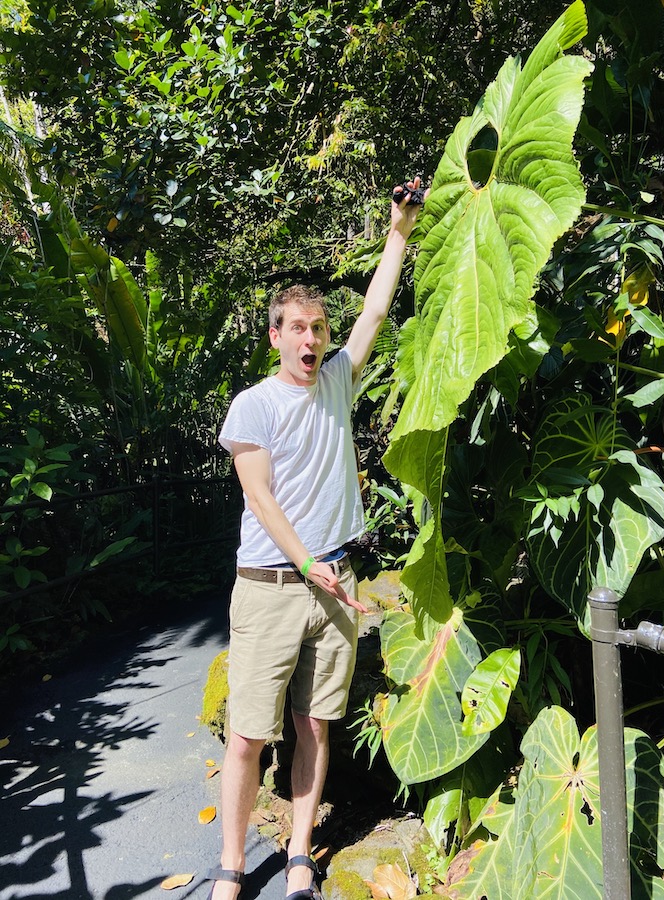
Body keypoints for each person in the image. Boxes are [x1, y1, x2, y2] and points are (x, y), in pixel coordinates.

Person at [209, 177, 427, 900]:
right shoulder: (255, 404)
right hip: (273, 586)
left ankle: (300, 854)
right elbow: (259, 496)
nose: (311, 338)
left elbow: (374, 308)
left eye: (318, 328)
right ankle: (233, 866)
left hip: (334, 583)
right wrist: (308, 564)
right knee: (247, 737)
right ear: (275, 336)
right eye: (297, 328)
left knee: (313, 727)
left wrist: (397, 230)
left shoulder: (338, 379)